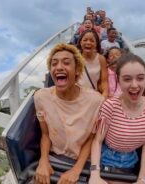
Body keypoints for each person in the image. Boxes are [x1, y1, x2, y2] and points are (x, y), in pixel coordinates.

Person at [34, 43, 104, 184]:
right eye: (54, 64)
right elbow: (45, 134)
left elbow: (91, 139)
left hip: (82, 162)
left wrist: (76, 170)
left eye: (66, 63)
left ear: (77, 70)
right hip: (54, 157)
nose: (59, 67)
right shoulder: (41, 97)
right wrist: (43, 160)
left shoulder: (96, 100)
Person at [89, 53, 145, 184]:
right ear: (118, 80)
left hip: (130, 163)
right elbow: (97, 141)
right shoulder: (110, 106)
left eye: (140, 78)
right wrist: (94, 173)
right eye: (127, 79)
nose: (134, 85)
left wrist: (142, 179)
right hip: (106, 160)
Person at [77, 29, 109, 98]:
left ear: (96, 43)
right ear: (80, 42)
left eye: (92, 41)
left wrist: (105, 95)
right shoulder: (75, 58)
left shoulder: (101, 59)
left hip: (93, 97)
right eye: (85, 40)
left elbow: (104, 81)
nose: (88, 43)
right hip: (77, 97)